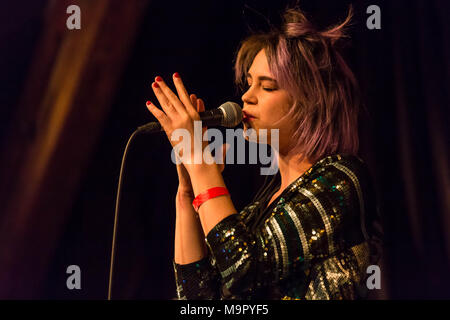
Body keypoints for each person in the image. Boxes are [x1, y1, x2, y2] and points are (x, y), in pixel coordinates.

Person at [145, 4, 383, 300]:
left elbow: (244, 268)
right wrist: (187, 194)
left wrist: (200, 161)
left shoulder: (343, 180)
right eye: (248, 84)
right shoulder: (257, 213)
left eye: (267, 87)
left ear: (310, 103)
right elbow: (198, 301)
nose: (246, 96)